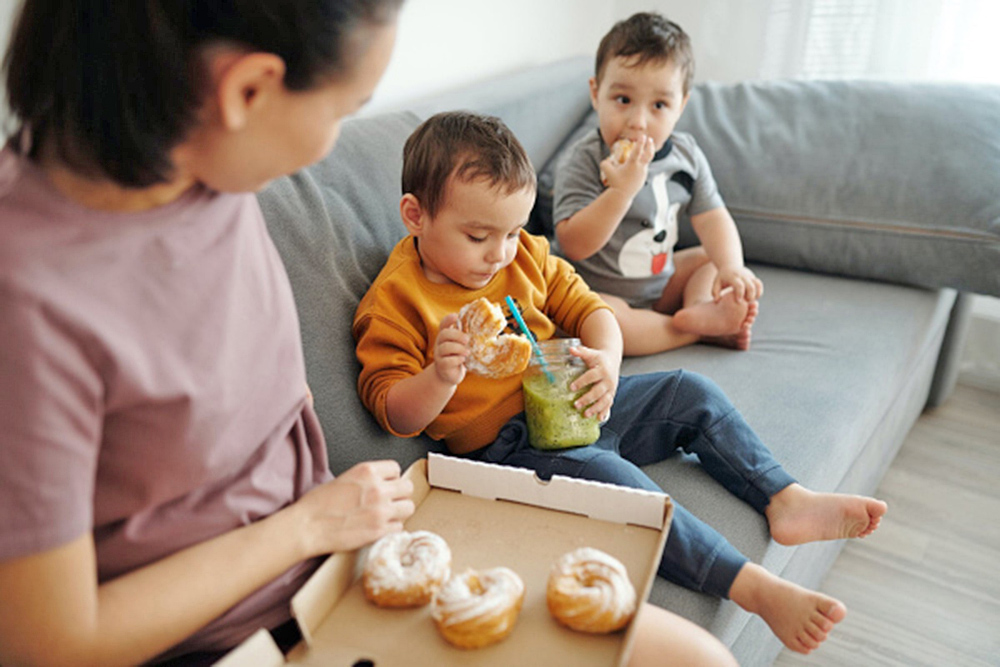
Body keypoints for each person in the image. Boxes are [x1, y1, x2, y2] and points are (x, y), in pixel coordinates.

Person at [354, 110, 888, 656]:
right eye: (477, 236)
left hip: (577, 398)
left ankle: (786, 498)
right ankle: (752, 586)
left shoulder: (525, 257)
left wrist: (607, 364)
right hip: (510, 450)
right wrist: (440, 377)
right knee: (620, 484)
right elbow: (393, 412)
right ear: (416, 216)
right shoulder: (395, 302)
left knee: (689, 391)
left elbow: (591, 309)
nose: (500, 253)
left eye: (512, 232)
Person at [0, 2, 415, 665]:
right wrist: (306, 527)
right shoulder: (26, 300)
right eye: (344, 109)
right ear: (246, 90)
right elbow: (50, 643)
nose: (334, 136)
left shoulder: (204, 168)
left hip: (335, 572)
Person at [553, 12, 762, 356]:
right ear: (596, 93)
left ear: (681, 106)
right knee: (599, 319)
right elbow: (573, 244)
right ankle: (690, 332)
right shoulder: (585, 159)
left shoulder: (686, 155)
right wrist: (621, 192)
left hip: (660, 283)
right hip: (595, 292)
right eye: (623, 100)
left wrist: (731, 268)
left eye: (659, 105)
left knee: (709, 259)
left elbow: (713, 218)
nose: (638, 122)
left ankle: (700, 308)